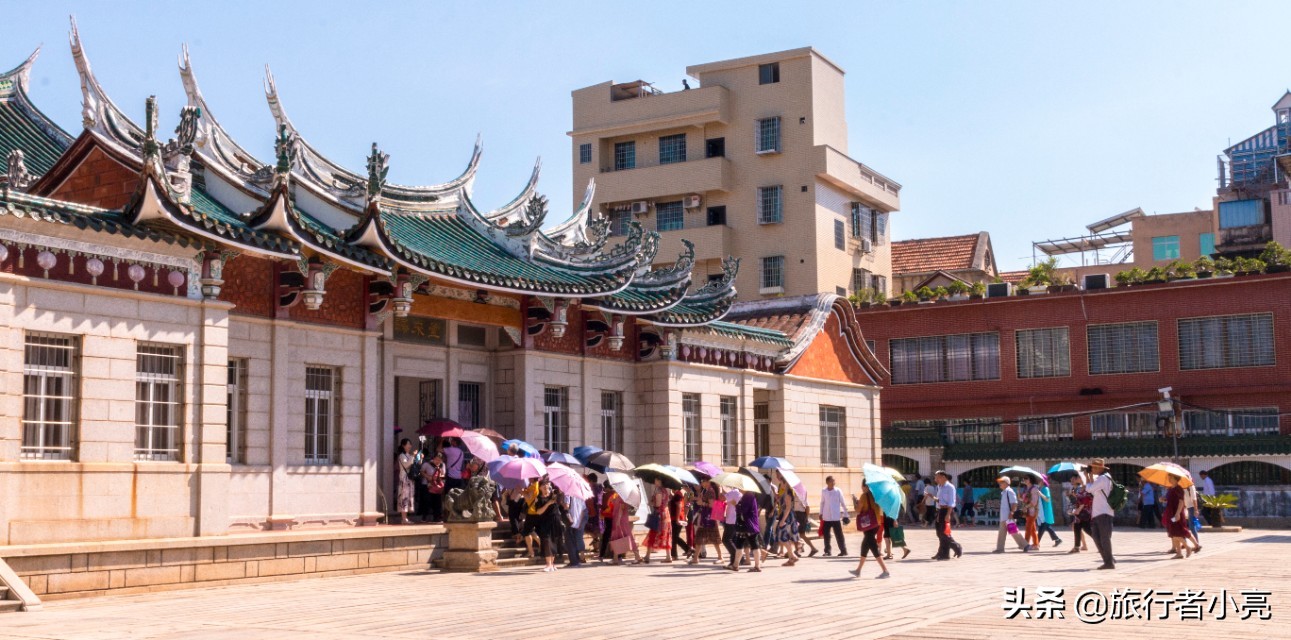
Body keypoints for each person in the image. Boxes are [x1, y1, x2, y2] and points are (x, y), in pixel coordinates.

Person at [848, 482, 890, 579]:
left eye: (862, 486)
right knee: (865, 545)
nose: (862, 488)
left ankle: (885, 570)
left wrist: (855, 502)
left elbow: (858, 510)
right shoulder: (876, 494)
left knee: (873, 546)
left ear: (865, 486)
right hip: (877, 522)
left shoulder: (864, 496)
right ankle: (858, 570)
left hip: (868, 523)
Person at [1086, 458, 1116, 570]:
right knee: (1097, 537)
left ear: (1099, 468)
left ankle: (1109, 562)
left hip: (1103, 512)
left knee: (1104, 538)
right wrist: (1089, 477)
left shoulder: (1103, 478)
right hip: (1099, 512)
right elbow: (1093, 491)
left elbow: (1089, 489)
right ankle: (1108, 559)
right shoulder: (1103, 478)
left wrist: (1088, 479)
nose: (1092, 469)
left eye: (1093, 467)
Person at [729, 488, 763, 573]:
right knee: (740, 544)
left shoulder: (748, 496)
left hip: (749, 524)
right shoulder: (747, 496)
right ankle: (736, 565)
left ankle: (757, 566)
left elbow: (744, 510)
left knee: (754, 544)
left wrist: (735, 505)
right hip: (746, 524)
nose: (739, 489)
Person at [532, 482, 563, 572]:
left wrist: (557, 493)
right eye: (543, 486)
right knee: (546, 541)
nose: (546, 488)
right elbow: (538, 512)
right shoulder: (539, 498)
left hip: (555, 521)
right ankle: (548, 564)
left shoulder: (554, 495)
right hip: (545, 522)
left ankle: (552, 564)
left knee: (554, 541)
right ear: (540, 488)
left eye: (547, 486)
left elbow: (560, 500)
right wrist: (548, 504)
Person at [994, 476, 1030, 553]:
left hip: (1008, 516)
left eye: (1001, 482)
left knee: (1014, 532)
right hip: (1004, 517)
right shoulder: (1004, 492)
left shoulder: (1009, 491)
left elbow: (1014, 503)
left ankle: (1025, 545)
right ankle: (1000, 549)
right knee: (1002, 533)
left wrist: (1012, 512)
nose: (1000, 484)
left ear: (1006, 483)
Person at [932, 470, 963, 560]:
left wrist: (948, 514)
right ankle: (943, 553)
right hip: (940, 510)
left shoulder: (950, 487)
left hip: (946, 510)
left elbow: (951, 502)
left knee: (944, 533)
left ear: (943, 477)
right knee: (939, 533)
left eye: (937, 477)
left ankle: (957, 547)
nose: (936, 479)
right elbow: (940, 500)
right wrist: (932, 497)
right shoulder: (939, 487)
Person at [607, 486, 640, 565]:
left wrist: (618, 520)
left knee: (626, 537)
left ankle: (637, 556)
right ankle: (615, 558)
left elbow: (621, 509)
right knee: (617, 538)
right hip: (618, 520)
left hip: (620, 520)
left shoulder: (622, 497)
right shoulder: (618, 496)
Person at [693, 479, 723, 564]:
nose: (701, 483)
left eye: (702, 481)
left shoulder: (710, 491)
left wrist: (702, 503)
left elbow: (712, 505)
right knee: (700, 536)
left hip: (709, 518)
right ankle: (695, 558)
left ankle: (720, 556)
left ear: (708, 481)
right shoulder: (707, 490)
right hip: (705, 517)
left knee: (714, 537)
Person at [642, 478, 672, 564]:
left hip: (659, 515)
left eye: (655, 480)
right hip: (666, 514)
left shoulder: (658, 491)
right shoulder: (665, 491)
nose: (654, 482)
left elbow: (658, 504)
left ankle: (647, 556)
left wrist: (651, 503)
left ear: (660, 481)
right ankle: (668, 556)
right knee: (666, 534)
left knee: (653, 533)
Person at [772, 476, 800, 567]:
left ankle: (792, 556)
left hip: (787, 517)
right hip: (787, 516)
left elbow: (788, 508)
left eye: (782, 483)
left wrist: (783, 520)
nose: (781, 485)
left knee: (782, 536)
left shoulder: (788, 494)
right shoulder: (786, 492)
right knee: (783, 537)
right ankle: (792, 557)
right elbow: (780, 501)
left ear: (785, 483)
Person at [1163, 475, 1192, 559]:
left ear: (1175, 479)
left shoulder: (1178, 488)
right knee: (1172, 533)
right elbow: (1171, 499)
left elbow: (1181, 501)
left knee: (1175, 533)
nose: (1169, 479)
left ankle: (1187, 547)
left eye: (1171, 478)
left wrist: (1178, 513)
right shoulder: (1171, 488)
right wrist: (1163, 499)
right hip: (1170, 512)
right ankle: (1179, 553)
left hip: (1176, 512)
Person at [819, 476, 849, 557]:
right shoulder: (824, 491)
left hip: (836, 516)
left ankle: (843, 550)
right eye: (832, 481)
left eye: (834, 481)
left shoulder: (838, 491)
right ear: (827, 482)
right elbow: (822, 502)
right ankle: (827, 551)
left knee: (839, 535)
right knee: (826, 535)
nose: (833, 482)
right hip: (826, 516)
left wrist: (846, 514)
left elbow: (843, 503)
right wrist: (820, 513)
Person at [563, 483, 588, 568]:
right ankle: (579, 558)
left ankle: (574, 561)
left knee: (570, 539)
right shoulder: (580, 491)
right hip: (581, 515)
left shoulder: (567, 491)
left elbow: (566, 506)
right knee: (578, 537)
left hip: (572, 517)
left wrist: (560, 502)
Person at [1066, 474, 1092, 554]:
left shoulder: (1084, 488)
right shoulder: (1081, 488)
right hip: (1079, 512)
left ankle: (1100, 542)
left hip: (1084, 512)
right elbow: (1079, 498)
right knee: (1077, 527)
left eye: (1077, 478)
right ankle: (1077, 547)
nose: (1074, 479)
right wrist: (1072, 495)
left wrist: (1078, 510)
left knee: (1087, 529)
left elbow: (1085, 500)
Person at [419, 452, 445, 523]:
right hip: (427, 485)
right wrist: (428, 476)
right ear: (433, 459)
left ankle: (437, 517)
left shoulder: (442, 465)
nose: (438, 461)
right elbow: (421, 472)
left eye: (439, 460)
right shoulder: (427, 464)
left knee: (437, 502)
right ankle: (424, 517)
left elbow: (443, 474)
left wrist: (439, 476)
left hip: (437, 486)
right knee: (427, 501)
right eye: (436, 459)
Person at [396, 439, 417, 524]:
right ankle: (403, 518)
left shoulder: (408, 455)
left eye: (410, 444)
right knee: (403, 497)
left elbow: (413, 465)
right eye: (408, 444)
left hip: (409, 479)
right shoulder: (401, 455)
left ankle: (405, 517)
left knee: (408, 497)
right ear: (403, 445)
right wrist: (413, 456)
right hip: (404, 479)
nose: (410, 446)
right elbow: (406, 464)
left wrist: (418, 458)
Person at [1035, 482, 1063, 547]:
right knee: (1047, 527)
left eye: (1040, 480)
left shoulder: (1045, 489)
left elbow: (1047, 499)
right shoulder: (1041, 488)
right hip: (1042, 512)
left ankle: (1036, 542)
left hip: (1046, 512)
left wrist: (1040, 493)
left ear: (1043, 481)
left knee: (1042, 527)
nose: (1038, 481)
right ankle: (1057, 539)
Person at [668, 487, 692, 561]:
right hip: (675, 517)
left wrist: (677, 518)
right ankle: (687, 549)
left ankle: (676, 554)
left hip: (676, 518)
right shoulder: (677, 495)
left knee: (674, 537)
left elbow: (679, 506)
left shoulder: (678, 495)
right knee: (675, 537)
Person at [722, 488, 742, 566]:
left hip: (731, 520)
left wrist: (721, 490)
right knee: (732, 541)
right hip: (735, 519)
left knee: (726, 540)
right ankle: (733, 561)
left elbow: (722, 498)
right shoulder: (740, 494)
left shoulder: (734, 492)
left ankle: (738, 558)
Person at [1020, 476, 1040, 548]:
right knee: (1032, 528)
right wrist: (1019, 493)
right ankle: (1036, 544)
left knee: (1028, 528)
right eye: (1024, 478)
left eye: (1026, 478)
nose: (1024, 480)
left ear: (1031, 480)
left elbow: (1034, 502)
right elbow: (1023, 499)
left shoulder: (1034, 489)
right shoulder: (1026, 489)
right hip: (1027, 511)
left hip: (1032, 511)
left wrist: (1026, 507)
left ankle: (1025, 544)